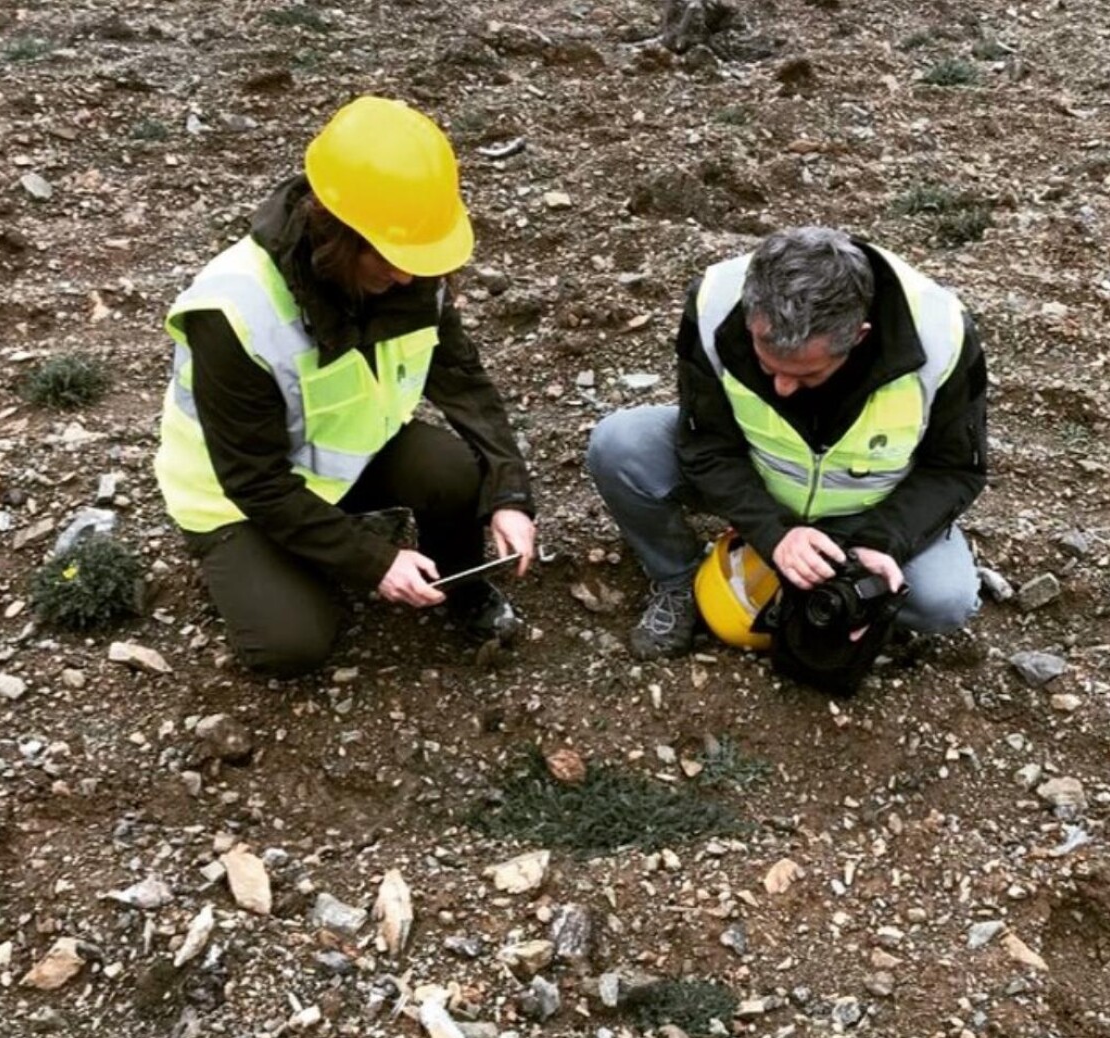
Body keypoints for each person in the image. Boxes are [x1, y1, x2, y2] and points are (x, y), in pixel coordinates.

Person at [154, 96, 536, 676]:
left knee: (453, 471)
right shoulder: (233, 311)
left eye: (417, 256)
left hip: (340, 466)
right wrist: (374, 562)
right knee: (291, 644)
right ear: (334, 230)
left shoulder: (412, 276)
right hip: (237, 500)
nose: (406, 274)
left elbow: (466, 386)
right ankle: (253, 564)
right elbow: (254, 483)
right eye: (389, 255)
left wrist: (509, 496)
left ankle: (463, 588)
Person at [588, 226, 987, 660]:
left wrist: (883, 541)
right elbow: (706, 442)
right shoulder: (715, 302)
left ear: (858, 336)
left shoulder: (941, 336)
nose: (781, 387)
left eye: (807, 375)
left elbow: (954, 468)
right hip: (760, 475)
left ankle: (854, 601)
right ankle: (678, 580)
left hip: (869, 508)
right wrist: (772, 532)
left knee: (945, 600)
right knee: (621, 444)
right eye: (765, 364)